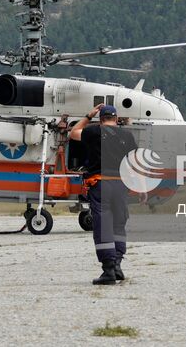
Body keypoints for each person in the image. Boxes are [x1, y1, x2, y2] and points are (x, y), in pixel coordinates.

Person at [69, 103, 137, 285]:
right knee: (119, 224)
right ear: (116, 118)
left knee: (103, 226)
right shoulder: (128, 135)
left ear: (101, 119)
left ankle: (108, 271)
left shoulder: (93, 132)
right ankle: (117, 266)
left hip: (101, 184)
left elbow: (73, 133)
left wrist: (88, 115)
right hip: (121, 185)